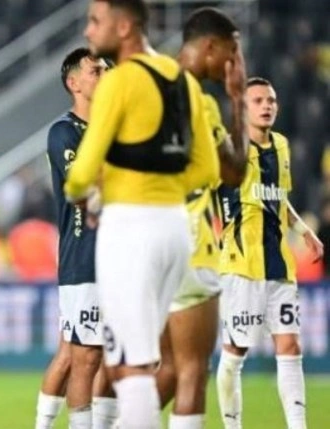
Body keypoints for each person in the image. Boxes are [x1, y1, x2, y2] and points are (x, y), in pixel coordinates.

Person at [64, 0, 219, 427]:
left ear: (125, 26)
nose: (88, 31)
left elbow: (81, 174)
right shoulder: (182, 79)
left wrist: (94, 194)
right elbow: (207, 168)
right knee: (143, 357)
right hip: (176, 230)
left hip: (130, 229)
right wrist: (161, 187)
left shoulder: (119, 81)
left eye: (96, 21)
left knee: (129, 368)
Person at [154, 7, 249, 428]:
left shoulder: (148, 84)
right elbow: (234, 171)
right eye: (231, 52)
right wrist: (238, 98)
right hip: (190, 237)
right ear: (210, 46)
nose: (233, 62)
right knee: (193, 369)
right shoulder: (198, 100)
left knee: (165, 368)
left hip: (144, 238)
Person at [215, 77, 323, 429]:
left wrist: (304, 231)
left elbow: (279, 198)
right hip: (241, 266)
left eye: (271, 100)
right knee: (235, 353)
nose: (267, 106)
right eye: (258, 100)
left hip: (279, 265)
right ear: (242, 108)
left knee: (290, 347)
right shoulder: (229, 150)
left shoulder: (282, 145)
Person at [35, 48, 116, 429]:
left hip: (124, 258)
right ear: (74, 83)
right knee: (84, 357)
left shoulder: (118, 130)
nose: (105, 75)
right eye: (96, 71)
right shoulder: (63, 132)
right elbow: (82, 188)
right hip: (84, 257)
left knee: (112, 357)